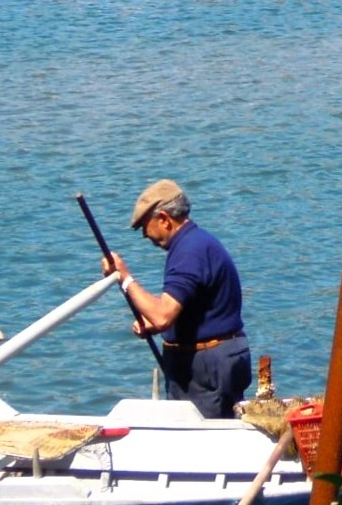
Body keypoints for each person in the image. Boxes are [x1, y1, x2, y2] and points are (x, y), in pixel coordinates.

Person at [101, 179, 251, 419]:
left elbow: (163, 316)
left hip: (206, 368)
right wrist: (153, 325)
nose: (144, 236)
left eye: (144, 226)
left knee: (204, 444)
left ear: (163, 219)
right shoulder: (196, 243)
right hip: (212, 357)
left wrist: (125, 278)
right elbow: (190, 305)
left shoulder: (189, 251)